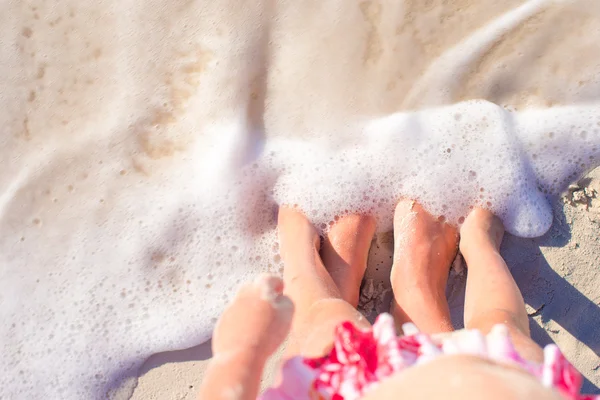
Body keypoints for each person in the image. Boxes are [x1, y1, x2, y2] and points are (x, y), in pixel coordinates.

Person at [198, 201, 596, 400]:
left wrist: (239, 351)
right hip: (502, 381)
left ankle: (306, 261)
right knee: (501, 324)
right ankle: (462, 252)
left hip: (354, 389)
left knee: (321, 323)